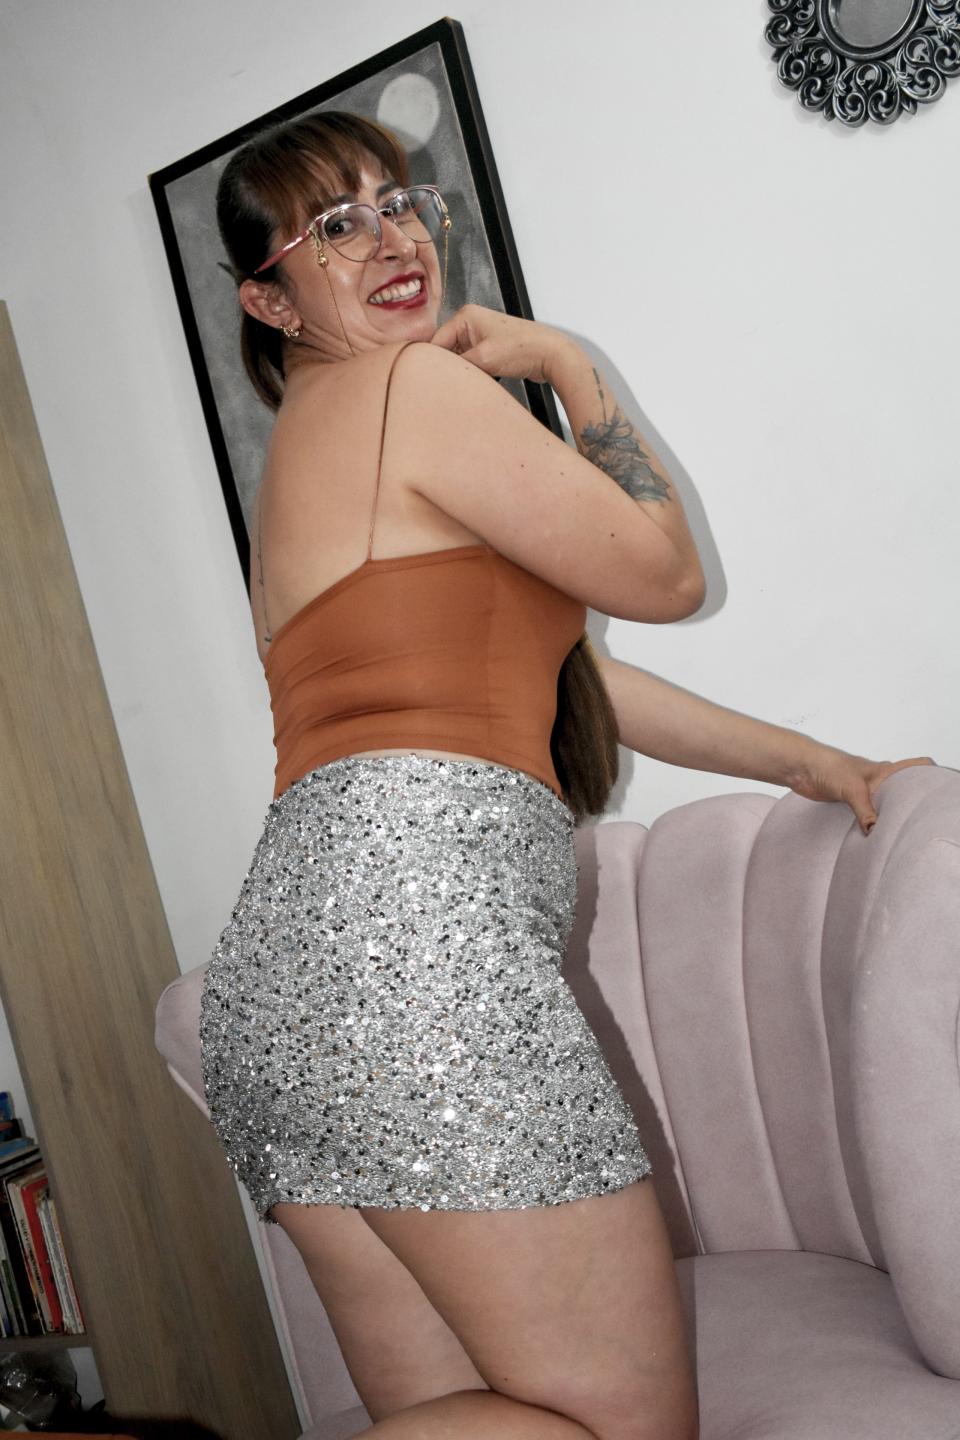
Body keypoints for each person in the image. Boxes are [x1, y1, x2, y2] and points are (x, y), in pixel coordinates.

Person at [200, 112, 929, 1440]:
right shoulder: (409, 393)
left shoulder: (311, 450)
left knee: (469, 1413)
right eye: (337, 225)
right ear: (270, 298)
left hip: (278, 995)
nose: (393, 239)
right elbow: (666, 575)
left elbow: (569, 678)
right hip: (419, 965)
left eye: (399, 203)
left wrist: (811, 763)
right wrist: (567, 365)